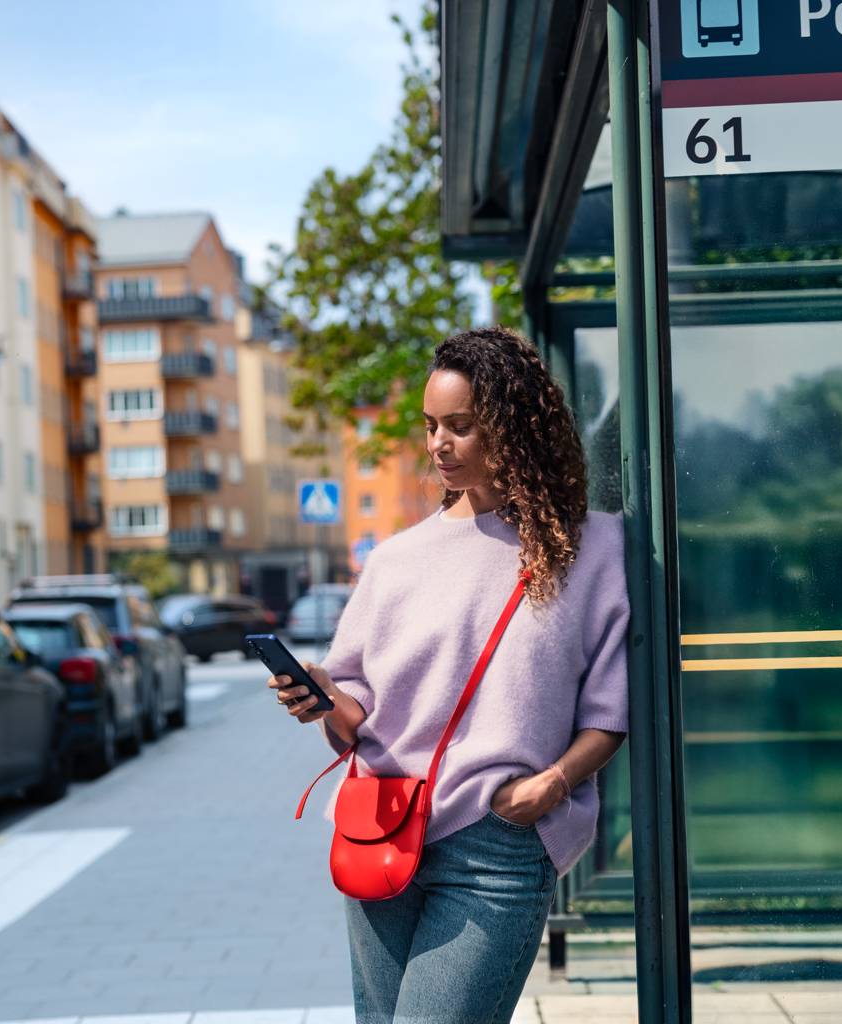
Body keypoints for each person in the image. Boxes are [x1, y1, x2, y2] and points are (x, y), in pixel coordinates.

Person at [268, 326, 630, 1024]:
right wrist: (322, 698)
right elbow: (358, 718)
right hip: (382, 833)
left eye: (461, 426)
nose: (439, 444)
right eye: (432, 426)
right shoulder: (396, 561)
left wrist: (550, 786)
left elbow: (611, 712)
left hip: (500, 844)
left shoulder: (595, 549)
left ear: (513, 424)